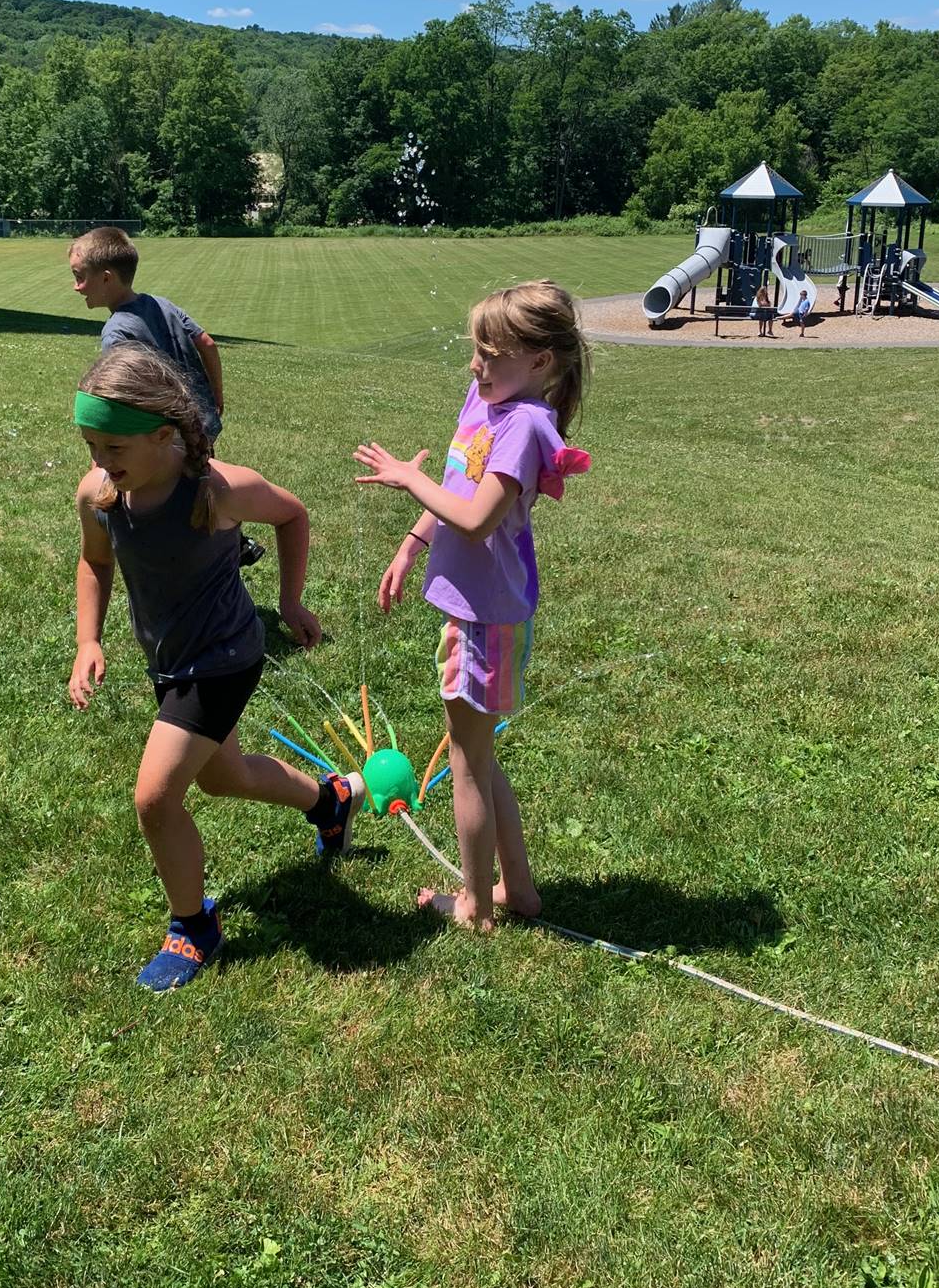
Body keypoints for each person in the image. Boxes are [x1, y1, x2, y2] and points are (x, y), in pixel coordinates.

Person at [68, 345, 360, 991]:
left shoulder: (217, 489)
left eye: (113, 448)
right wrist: (89, 640)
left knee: (155, 797)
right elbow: (96, 563)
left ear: (165, 436)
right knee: (223, 778)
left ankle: (193, 927)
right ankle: (329, 800)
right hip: (170, 663)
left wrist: (289, 602)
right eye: (92, 446)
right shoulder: (102, 494)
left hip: (226, 658)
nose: (99, 463)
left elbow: (292, 514)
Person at [353, 281, 591, 932]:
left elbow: (478, 518)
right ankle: (519, 892)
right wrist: (409, 547)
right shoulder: (489, 400)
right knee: (478, 757)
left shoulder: (523, 425)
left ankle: (476, 908)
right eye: (475, 350)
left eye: (490, 352)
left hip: (490, 619)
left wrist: (409, 478)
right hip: (476, 612)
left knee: (466, 764)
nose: (475, 364)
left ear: (540, 362)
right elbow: (457, 488)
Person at [69, 226, 263, 565]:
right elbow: (207, 343)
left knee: (168, 501)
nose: (76, 287)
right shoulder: (162, 304)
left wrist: (101, 458)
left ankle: (194, 558)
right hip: (199, 421)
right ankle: (232, 541)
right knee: (203, 484)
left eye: (80, 277)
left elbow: (117, 398)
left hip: (163, 433)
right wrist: (215, 396)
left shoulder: (117, 330)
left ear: (107, 278)